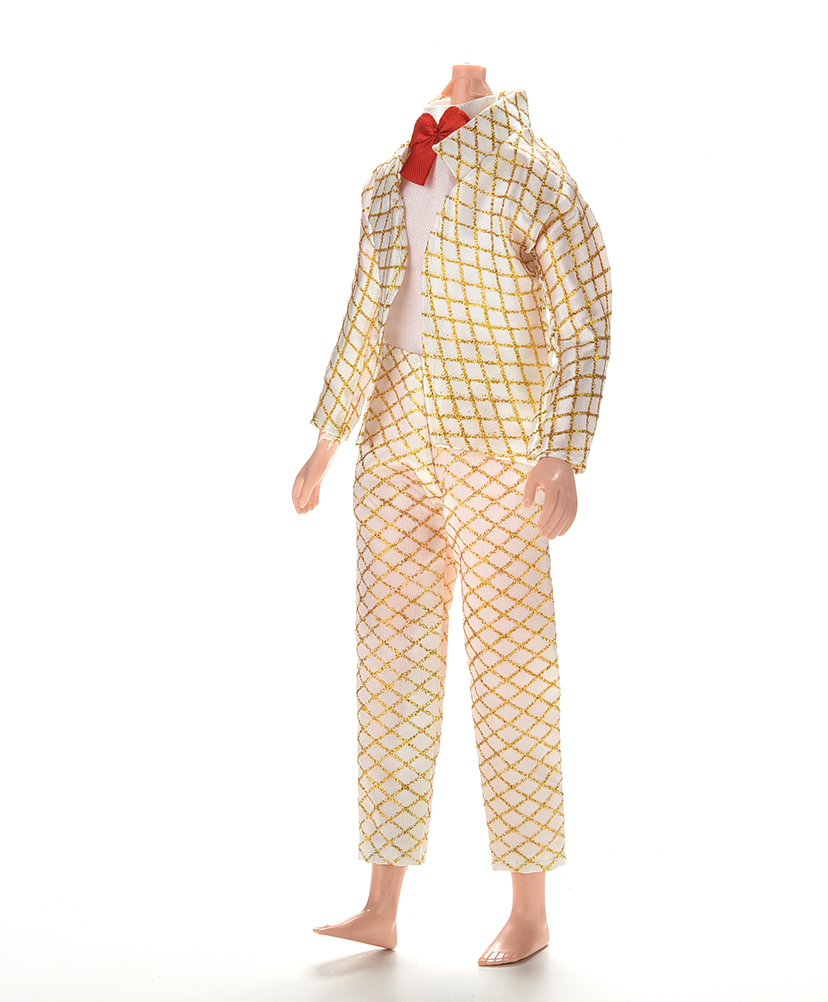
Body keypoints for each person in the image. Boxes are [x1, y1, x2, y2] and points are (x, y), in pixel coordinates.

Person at [292, 64, 611, 966]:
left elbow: (585, 314)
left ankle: (530, 908)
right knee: (391, 658)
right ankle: (382, 901)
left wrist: (563, 446)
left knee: (514, 664)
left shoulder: (531, 172)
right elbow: (363, 312)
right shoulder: (389, 175)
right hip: (391, 431)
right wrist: (326, 438)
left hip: (497, 436)